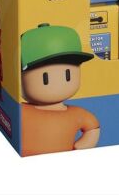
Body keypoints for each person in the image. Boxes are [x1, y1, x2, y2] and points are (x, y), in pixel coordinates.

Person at [19, 24, 100, 155]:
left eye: (68, 75)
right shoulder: (21, 111)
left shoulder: (76, 114)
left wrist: (85, 143)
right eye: (45, 77)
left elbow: (93, 127)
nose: (57, 82)